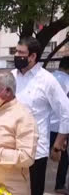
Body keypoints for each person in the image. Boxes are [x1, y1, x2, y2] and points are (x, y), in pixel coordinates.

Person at [11, 37, 69, 195]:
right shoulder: (11, 77)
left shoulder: (46, 80)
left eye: (21, 52)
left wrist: (58, 144)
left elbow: (66, 112)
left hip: (35, 151)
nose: (16, 55)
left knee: (34, 191)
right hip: (10, 147)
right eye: (16, 51)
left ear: (32, 56)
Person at [49, 56, 69, 194]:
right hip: (60, 126)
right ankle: (59, 185)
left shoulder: (49, 78)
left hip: (45, 125)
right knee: (64, 157)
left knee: (39, 156)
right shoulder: (67, 81)